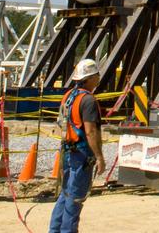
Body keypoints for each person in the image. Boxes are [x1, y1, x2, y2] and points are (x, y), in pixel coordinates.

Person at [48, 58, 106, 233]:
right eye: (96, 75)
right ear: (88, 78)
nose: (98, 78)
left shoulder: (68, 96)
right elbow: (90, 131)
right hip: (81, 154)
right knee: (75, 199)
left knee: (65, 195)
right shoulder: (88, 100)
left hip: (67, 150)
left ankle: (55, 230)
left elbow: (61, 124)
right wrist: (99, 157)